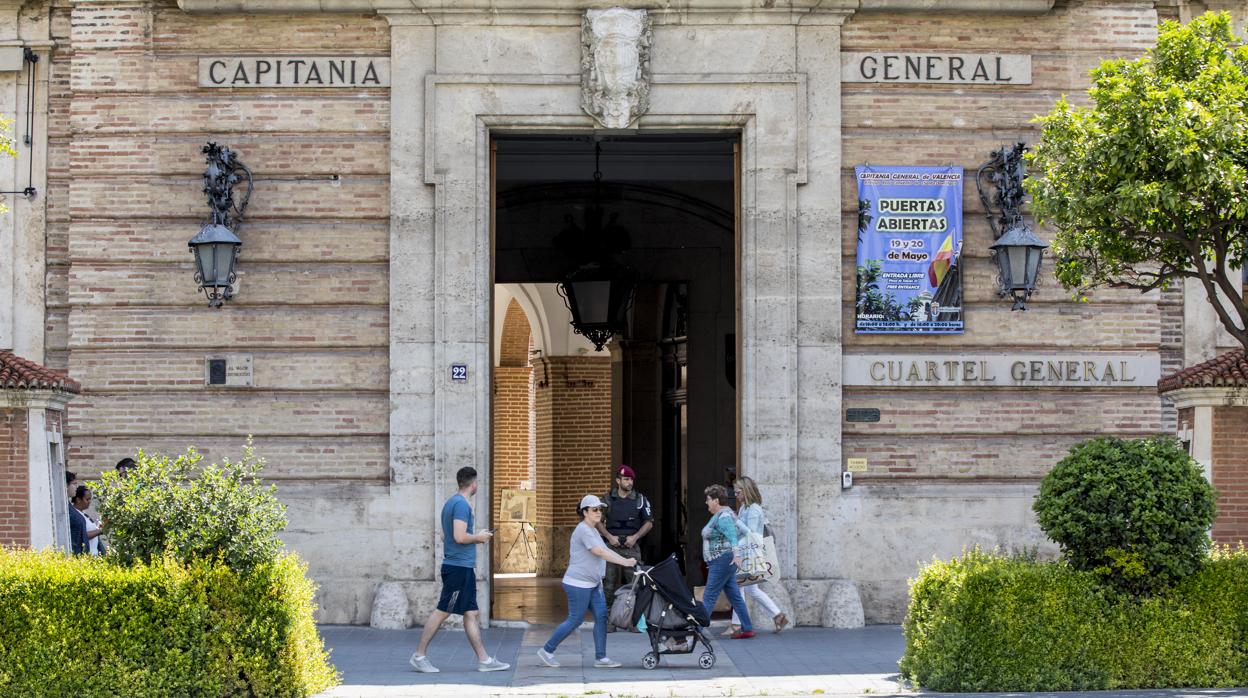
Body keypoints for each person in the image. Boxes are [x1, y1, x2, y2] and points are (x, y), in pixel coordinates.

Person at [409, 467, 510, 674]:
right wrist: (479, 537)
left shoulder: (450, 503)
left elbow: (445, 536)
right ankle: (419, 655)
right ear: (473, 484)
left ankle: (484, 660)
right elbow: (459, 537)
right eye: (477, 483)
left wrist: (472, 536)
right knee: (443, 610)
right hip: (458, 569)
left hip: (462, 567)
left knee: (471, 613)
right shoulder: (461, 505)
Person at [537, 494, 636, 669]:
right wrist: (624, 562)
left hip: (593, 584)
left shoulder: (594, 530)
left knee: (601, 616)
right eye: (594, 509)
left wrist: (625, 561)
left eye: (600, 509)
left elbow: (606, 549)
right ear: (585, 512)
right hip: (578, 584)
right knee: (575, 619)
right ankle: (547, 650)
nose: (599, 513)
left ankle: (601, 658)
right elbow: (599, 552)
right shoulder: (583, 529)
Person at [728, 476, 787, 634]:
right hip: (746, 551)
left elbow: (752, 534)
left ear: (746, 491)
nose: (736, 495)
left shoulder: (754, 509)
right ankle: (778, 615)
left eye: (738, 492)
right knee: (751, 589)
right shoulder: (744, 508)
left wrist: (736, 520)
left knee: (739, 586)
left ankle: (736, 625)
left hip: (751, 553)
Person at [597, 464, 652, 628]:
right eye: (626, 479)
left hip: (631, 546)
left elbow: (649, 522)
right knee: (608, 583)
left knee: (634, 583)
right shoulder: (606, 499)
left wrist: (635, 537)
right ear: (618, 480)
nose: (630, 482)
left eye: (631, 479)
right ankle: (607, 620)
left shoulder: (640, 499)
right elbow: (597, 520)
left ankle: (634, 620)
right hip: (611, 546)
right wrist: (608, 536)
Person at [698, 484, 753, 639]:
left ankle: (698, 630)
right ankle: (747, 628)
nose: (706, 503)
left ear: (716, 500)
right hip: (724, 560)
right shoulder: (724, 514)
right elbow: (741, 531)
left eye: (708, 499)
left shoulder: (723, 516)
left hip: (721, 560)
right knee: (734, 595)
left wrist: (736, 554)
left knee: (709, 595)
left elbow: (732, 535)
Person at [71, 485, 106, 556]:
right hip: (87, 557)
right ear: (78, 500)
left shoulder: (83, 515)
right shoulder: (76, 516)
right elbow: (82, 535)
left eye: (90, 499)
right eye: (87, 499)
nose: (90, 501)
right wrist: (101, 530)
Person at [66, 471, 89, 556]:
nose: (76, 487)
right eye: (74, 484)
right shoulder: (64, 508)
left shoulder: (68, 506)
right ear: (66, 485)